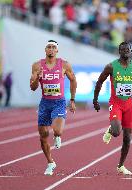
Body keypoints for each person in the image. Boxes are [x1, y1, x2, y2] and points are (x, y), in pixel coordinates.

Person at [93, 41, 132, 175]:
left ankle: (121, 165)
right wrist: (95, 100)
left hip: (129, 105)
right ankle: (111, 129)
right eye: (123, 50)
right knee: (117, 132)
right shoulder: (111, 67)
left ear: (131, 51)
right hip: (116, 103)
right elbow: (99, 82)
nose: (125, 51)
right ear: (119, 52)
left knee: (127, 138)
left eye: (127, 49)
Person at [30, 40, 77, 175]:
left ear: (57, 51)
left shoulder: (64, 64)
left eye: (53, 47)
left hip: (59, 102)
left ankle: (57, 136)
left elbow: (73, 80)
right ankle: (50, 162)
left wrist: (72, 99)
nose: (51, 49)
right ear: (45, 50)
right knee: (43, 135)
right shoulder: (37, 65)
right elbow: (32, 88)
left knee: (57, 131)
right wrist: (36, 80)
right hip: (45, 103)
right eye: (48, 47)